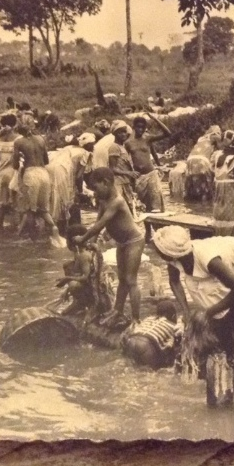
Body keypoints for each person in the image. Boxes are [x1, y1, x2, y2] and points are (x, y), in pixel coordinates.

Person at [150, 225, 234, 371]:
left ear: (170, 254)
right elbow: (174, 281)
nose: (156, 251)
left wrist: (208, 313)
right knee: (221, 321)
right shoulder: (174, 258)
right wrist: (186, 312)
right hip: (224, 265)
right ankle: (224, 358)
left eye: (158, 249)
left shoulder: (209, 260)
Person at [70, 167, 144, 329]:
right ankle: (117, 310)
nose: (94, 193)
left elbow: (101, 224)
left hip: (134, 241)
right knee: (122, 279)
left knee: (131, 280)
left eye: (96, 188)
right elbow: (98, 221)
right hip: (122, 243)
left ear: (106, 183)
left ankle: (136, 319)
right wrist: (93, 242)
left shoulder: (117, 201)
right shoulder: (104, 201)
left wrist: (83, 238)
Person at [11, 122, 64, 247]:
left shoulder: (18, 142)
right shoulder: (41, 139)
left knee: (30, 210)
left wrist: (18, 158)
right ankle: (54, 228)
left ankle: (31, 240)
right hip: (44, 174)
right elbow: (46, 160)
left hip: (31, 174)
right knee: (43, 209)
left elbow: (15, 165)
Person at [55, 223, 113, 318]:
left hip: (95, 290)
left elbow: (85, 278)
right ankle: (78, 302)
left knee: (73, 284)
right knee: (67, 265)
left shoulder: (83, 256)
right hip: (89, 285)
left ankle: (84, 304)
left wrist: (67, 279)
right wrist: (67, 290)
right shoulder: (79, 253)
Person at [126, 113, 172, 213]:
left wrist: (155, 119)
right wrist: (130, 175)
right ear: (133, 127)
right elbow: (126, 160)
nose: (141, 129)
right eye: (138, 127)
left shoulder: (147, 138)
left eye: (143, 127)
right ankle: (147, 229)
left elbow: (167, 133)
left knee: (156, 206)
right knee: (142, 206)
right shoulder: (128, 142)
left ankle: (157, 227)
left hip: (151, 174)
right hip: (139, 177)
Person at [107, 120, 138, 213]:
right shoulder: (114, 147)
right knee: (120, 208)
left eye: (124, 132)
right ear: (115, 134)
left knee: (129, 207)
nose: (123, 134)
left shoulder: (122, 146)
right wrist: (129, 173)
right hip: (118, 183)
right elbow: (112, 169)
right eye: (120, 132)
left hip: (125, 181)